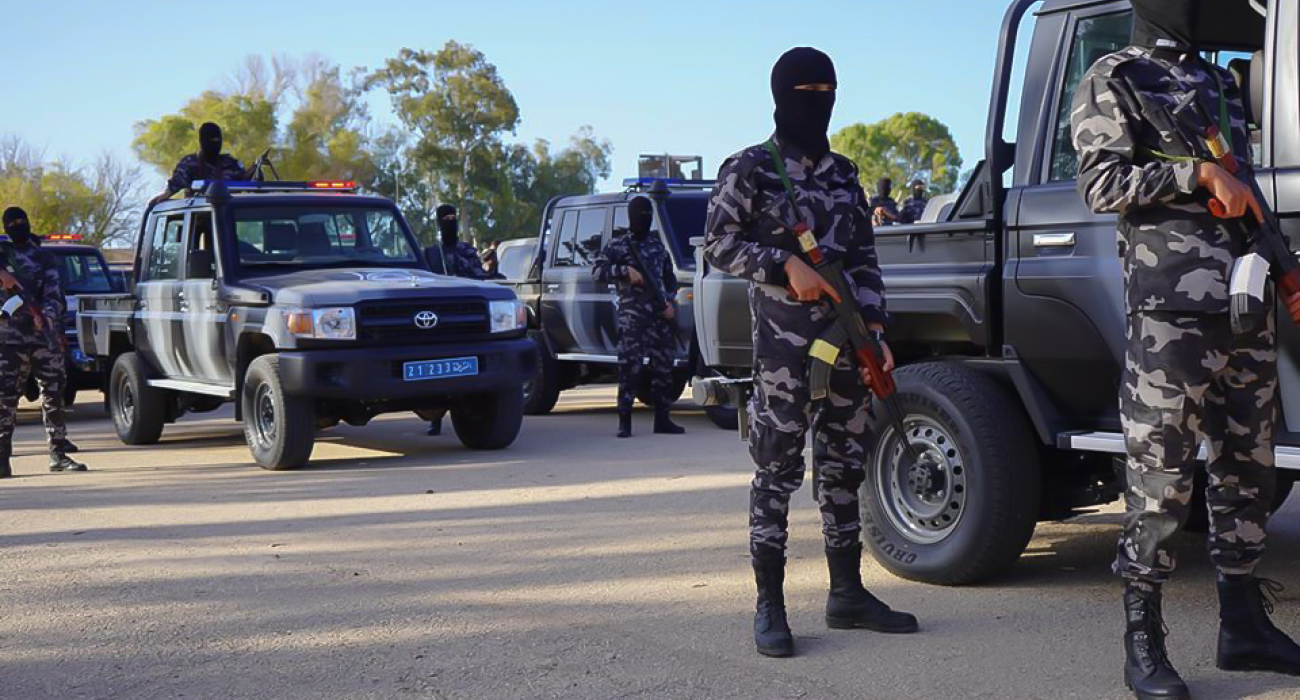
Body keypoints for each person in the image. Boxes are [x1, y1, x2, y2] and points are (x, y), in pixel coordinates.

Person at [1072, 1, 1300, 697]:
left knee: (1247, 470)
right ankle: (1144, 639)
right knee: (1162, 481)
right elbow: (1100, 183)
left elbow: (1247, 188)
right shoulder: (1114, 75)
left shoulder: (1218, 86)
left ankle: (1243, 629)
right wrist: (1194, 178)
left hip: (1245, 305)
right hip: (1172, 314)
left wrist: (1284, 265)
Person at [704, 47, 917, 659]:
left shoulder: (845, 173)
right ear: (781, 96)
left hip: (848, 344)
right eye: (807, 89)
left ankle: (847, 594)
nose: (819, 99)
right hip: (784, 350)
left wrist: (876, 327)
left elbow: (865, 260)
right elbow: (718, 242)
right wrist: (782, 262)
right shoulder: (750, 169)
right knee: (776, 471)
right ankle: (769, 605)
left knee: (844, 464)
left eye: (828, 88)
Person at [0, 208, 86, 478]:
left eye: (21, 221)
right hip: (9, 340)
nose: (18, 226)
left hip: (42, 337)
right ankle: (2, 458)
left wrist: (46, 315)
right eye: (11, 223)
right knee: (5, 399)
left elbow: (53, 293)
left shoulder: (43, 256)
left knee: (54, 395)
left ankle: (58, 454)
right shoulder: (2, 254)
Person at [592, 195, 684, 438]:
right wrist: (624, 271)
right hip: (632, 320)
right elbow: (597, 272)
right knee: (629, 370)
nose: (643, 219)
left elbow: (669, 279)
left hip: (659, 318)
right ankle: (625, 421)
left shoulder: (657, 247)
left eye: (647, 215)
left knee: (663, 369)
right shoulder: (617, 246)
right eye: (639, 214)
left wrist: (670, 302)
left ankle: (663, 419)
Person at [423, 204, 483, 436]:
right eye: (445, 219)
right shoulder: (431, 253)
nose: (450, 222)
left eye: (452, 218)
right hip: (439, 320)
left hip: (464, 317)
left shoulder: (467, 250)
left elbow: (479, 277)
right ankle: (435, 420)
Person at [149, 123, 252, 206]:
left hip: (227, 217)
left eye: (217, 140)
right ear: (202, 141)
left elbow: (245, 184)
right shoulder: (190, 164)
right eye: (211, 141)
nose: (214, 145)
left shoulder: (230, 163)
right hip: (197, 218)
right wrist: (165, 195)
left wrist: (254, 170)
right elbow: (176, 182)